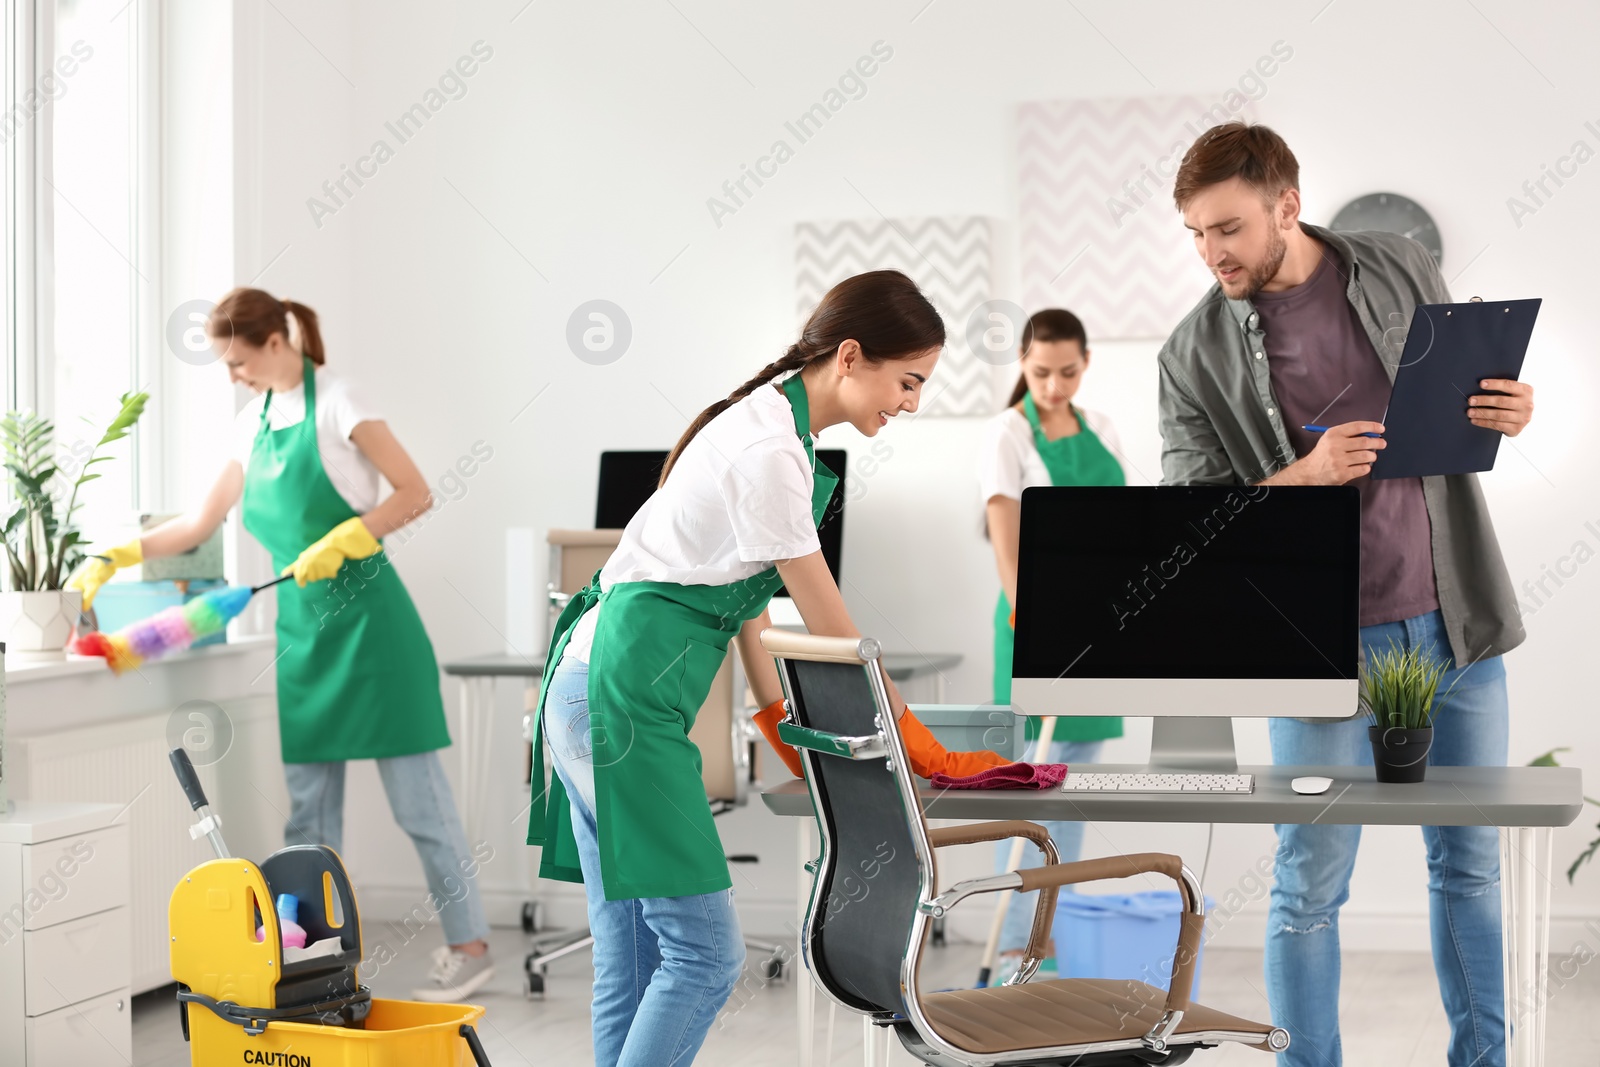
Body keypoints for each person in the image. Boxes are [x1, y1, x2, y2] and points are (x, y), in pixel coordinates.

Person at [526, 269, 1010, 1066]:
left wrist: (771, 718)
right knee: (705, 955)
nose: (913, 401)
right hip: (620, 700)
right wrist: (919, 746)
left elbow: (747, 604)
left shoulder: (764, 421)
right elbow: (835, 630)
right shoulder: (771, 451)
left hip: (583, 692)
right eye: (909, 380)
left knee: (635, 955)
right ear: (851, 356)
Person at [1157, 122, 1533, 1067]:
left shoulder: (1400, 266)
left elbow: (1467, 402)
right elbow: (1190, 519)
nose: (1213, 254)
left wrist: (1509, 409)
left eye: (1229, 228)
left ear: (1287, 203)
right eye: (1197, 234)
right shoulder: (1191, 351)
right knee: (1307, 884)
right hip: (1317, 643)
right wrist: (1305, 473)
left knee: (1469, 868)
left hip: (1453, 626)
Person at [68, 289, 495, 1002]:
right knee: (309, 817)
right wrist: (118, 551)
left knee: (421, 806)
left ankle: (470, 943)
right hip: (302, 631)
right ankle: (314, 960)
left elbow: (415, 490)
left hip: (372, 627)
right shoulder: (251, 423)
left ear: (274, 342)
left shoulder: (339, 401)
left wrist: (352, 533)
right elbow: (202, 520)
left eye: (238, 360)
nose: (233, 374)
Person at [978, 307, 1126, 981]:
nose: (1054, 385)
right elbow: (1007, 550)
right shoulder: (1007, 434)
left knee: (1069, 793)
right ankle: (1017, 948)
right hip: (1031, 624)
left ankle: (1053, 944)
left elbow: (1129, 528)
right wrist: (1037, 625)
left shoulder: (1103, 430)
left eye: (1067, 371)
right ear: (1022, 363)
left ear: (1085, 363)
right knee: (1030, 792)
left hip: (1097, 627)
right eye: (1040, 372)